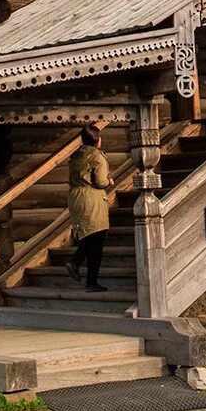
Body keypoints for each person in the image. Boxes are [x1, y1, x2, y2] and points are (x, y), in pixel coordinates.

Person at [64, 123, 112, 292]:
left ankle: (80, 268)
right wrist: (109, 181)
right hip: (91, 199)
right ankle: (86, 275)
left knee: (90, 236)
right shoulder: (97, 156)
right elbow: (100, 181)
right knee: (97, 237)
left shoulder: (77, 155)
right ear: (98, 140)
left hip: (76, 197)